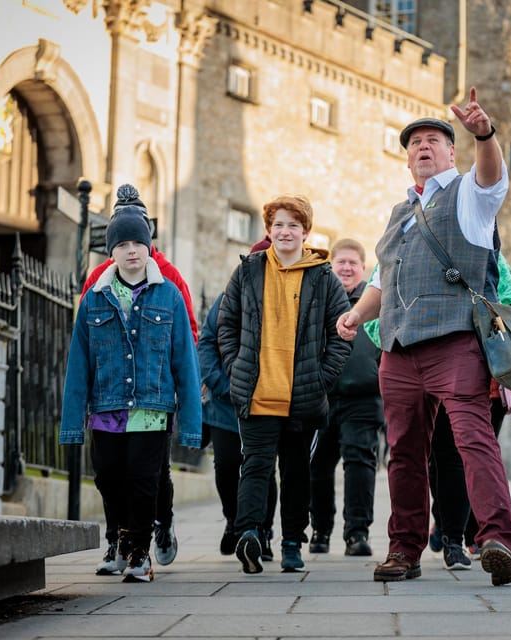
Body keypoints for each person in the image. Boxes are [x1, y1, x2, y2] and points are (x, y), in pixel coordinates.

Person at [337, 88, 511, 587]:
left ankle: (497, 537)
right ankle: (405, 550)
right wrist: (356, 314)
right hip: (397, 348)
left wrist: (484, 132)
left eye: (433, 140)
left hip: (454, 340)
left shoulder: (471, 195)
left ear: (450, 150)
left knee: (471, 437)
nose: (422, 146)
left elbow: (492, 176)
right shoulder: (399, 214)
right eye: (414, 142)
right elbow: (381, 279)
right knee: (402, 451)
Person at [60, 199, 202, 583]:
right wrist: (72, 420)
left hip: (152, 407)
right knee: (108, 476)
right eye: (122, 245)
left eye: (137, 243)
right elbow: (79, 363)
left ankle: (139, 552)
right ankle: (121, 541)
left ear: (149, 245)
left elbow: (184, 361)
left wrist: (190, 420)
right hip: (106, 404)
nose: (131, 251)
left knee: (144, 479)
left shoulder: (168, 294)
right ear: (112, 253)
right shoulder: (94, 298)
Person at [217, 195, 351, 575]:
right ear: (268, 230)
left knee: (296, 472)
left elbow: (341, 334)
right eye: (278, 224)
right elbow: (227, 324)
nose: (285, 231)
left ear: (305, 232)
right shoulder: (248, 270)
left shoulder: (323, 276)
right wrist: (235, 366)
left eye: (293, 225)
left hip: (302, 396)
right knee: (255, 466)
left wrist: (321, 379)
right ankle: (249, 535)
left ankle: (292, 542)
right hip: (257, 392)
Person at [427, 252, 511, 570]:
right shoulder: (420, 245)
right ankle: (448, 528)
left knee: (473, 457)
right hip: (436, 367)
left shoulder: (495, 259)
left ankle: (463, 535)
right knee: (442, 459)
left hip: (487, 375)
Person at [198, 239, 278, 560]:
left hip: (266, 402)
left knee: (262, 468)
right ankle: (234, 520)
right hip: (224, 403)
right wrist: (221, 384)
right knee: (227, 467)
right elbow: (206, 342)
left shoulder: (284, 302)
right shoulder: (228, 297)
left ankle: (261, 530)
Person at [308, 239, 384, 557]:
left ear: (363, 268)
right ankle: (321, 530)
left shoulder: (375, 304)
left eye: (353, 262)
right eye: (341, 262)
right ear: (332, 265)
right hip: (321, 398)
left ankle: (356, 533)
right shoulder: (320, 300)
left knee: (359, 464)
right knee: (318, 465)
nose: (347, 268)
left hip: (364, 397)